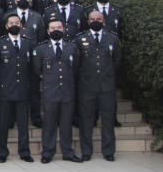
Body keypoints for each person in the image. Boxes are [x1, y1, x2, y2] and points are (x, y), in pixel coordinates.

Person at [32, 18, 83, 163]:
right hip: (50, 91)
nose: (56, 30)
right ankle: (47, 152)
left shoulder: (72, 47)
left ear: (63, 29)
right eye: (53, 28)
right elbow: (37, 70)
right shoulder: (40, 49)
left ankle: (67, 152)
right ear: (48, 31)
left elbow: (75, 68)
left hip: (67, 91)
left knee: (66, 123)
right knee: (49, 123)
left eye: (59, 27)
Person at [77, 10, 121, 162]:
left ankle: (108, 151)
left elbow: (116, 61)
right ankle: (86, 151)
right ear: (88, 21)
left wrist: (107, 75)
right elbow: (77, 63)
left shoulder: (112, 38)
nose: (95, 20)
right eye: (92, 19)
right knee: (86, 120)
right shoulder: (80, 38)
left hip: (106, 86)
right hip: (87, 86)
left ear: (103, 21)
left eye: (98, 18)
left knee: (107, 119)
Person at [0, 14, 34, 163]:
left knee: (23, 124)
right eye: (11, 23)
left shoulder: (29, 43)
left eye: (17, 22)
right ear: (6, 26)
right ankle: (2, 152)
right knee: (3, 123)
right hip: (6, 89)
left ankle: (24, 152)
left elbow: (32, 68)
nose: (14, 25)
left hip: (23, 89)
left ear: (21, 25)